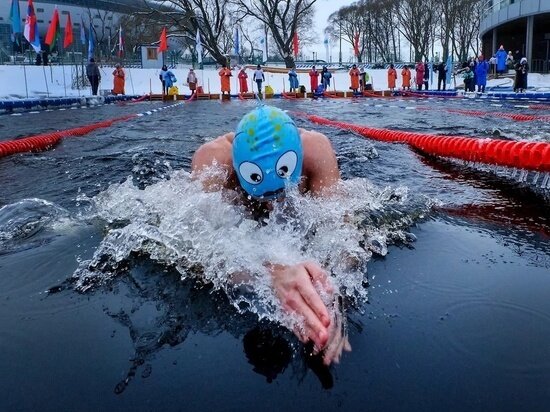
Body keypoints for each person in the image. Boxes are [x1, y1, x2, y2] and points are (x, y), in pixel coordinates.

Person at [191, 105, 349, 365]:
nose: (271, 206)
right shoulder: (213, 163)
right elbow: (198, 253)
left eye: (283, 192)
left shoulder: (316, 151)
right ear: (237, 172)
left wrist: (332, 305)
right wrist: (271, 273)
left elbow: (342, 233)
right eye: (259, 195)